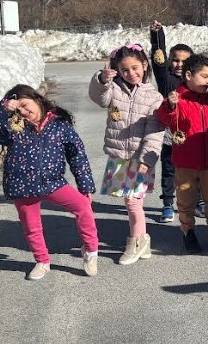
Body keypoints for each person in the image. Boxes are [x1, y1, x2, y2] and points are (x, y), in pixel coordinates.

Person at [0, 85, 99, 280]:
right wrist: (4, 109)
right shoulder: (13, 126)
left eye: (26, 106)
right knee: (31, 225)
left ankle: (91, 251)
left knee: (84, 207)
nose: (25, 112)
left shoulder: (59, 124)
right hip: (22, 185)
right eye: (19, 110)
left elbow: (77, 155)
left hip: (53, 182)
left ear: (36, 99)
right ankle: (42, 261)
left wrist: (85, 185)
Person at [89, 42, 164, 265]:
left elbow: (155, 131)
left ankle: (135, 243)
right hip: (119, 157)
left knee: (133, 202)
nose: (131, 73)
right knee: (131, 203)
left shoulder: (153, 97)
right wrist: (102, 79)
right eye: (124, 70)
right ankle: (144, 241)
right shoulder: (113, 88)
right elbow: (99, 98)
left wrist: (148, 159)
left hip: (141, 159)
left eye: (135, 68)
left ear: (144, 65)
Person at [155, 54, 208, 253]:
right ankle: (188, 231)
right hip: (185, 162)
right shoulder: (177, 98)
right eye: (205, 77)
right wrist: (169, 106)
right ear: (189, 75)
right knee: (186, 199)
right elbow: (163, 118)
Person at [149, 20, 203, 223]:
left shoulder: (194, 82)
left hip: (193, 133)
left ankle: (198, 201)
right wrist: (157, 36)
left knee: (196, 168)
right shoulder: (166, 79)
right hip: (170, 134)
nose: (179, 64)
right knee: (170, 168)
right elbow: (158, 59)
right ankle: (167, 204)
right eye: (175, 60)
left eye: (184, 61)